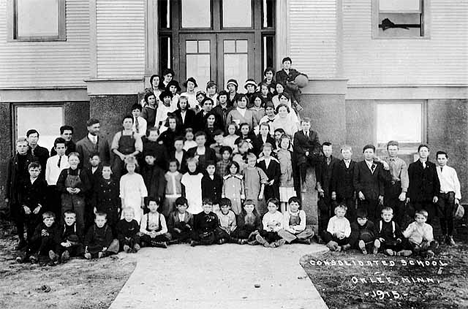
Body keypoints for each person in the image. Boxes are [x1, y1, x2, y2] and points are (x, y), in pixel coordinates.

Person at [5, 137, 36, 250]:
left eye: (24, 146)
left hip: (28, 192)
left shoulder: (32, 159)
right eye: (20, 146)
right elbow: (9, 178)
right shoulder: (12, 160)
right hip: (15, 193)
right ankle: (21, 239)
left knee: (28, 217)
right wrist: (7, 195)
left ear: (28, 147)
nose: (22, 148)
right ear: (16, 147)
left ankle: (30, 239)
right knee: (18, 218)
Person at [353, 144, 390, 222]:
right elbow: (355, 180)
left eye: (370, 152)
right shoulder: (358, 165)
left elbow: (383, 181)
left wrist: (381, 194)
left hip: (375, 195)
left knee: (375, 216)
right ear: (363, 153)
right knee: (364, 215)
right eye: (366, 152)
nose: (368, 154)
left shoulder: (378, 165)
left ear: (373, 154)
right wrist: (359, 192)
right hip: (363, 195)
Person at [56, 152, 91, 232]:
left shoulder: (82, 172)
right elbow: (58, 185)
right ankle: (64, 236)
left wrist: (80, 190)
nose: (74, 161)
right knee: (65, 218)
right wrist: (66, 189)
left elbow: (88, 186)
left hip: (79, 200)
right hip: (66, 199)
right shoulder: (64, 172)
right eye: (71, 160)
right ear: (68, 161)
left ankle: (79, 238)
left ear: (79, 161)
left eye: (76, 160)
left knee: (79, 219)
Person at [407, 144, 440, 224]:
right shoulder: (412, 166)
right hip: (416, 197)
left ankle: (427, 235)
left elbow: (436, 181)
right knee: (418, 216)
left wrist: (436, 195)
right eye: (421, 151)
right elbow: (409, 181)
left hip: (429, 197)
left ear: (428, 153)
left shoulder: (432, 166)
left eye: (425, 151)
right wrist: (408, 195)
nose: (423, 153)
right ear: (418, 153)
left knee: (429, 216)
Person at [18, 162, 48, 245]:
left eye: (36, 170)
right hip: (26, 206)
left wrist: (39, 206)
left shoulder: (42, 182)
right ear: (28, 171)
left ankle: (35, 242)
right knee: (26, 224)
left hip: (37, 207)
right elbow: (20, 195)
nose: (34, 172)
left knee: (36, 224)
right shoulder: (23, 181)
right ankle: (25, 241)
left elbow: (44, 196)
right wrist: (24, 206)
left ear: (39, 171)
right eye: (32, 170)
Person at [435, 151, 461, 246]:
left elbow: (456, 184)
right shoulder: (435, 169)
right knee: (441, 216)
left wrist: (457, 197)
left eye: (443, 159)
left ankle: (450, 236)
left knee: (449, 216)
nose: (441, 161)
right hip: (440, 195)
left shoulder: (451, 170)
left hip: (450, 195)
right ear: (436, 159)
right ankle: (443, 235)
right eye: (439, 159)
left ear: (447, 159)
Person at [382, 141, 409, 227]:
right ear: (387, 150)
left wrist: (404, 192)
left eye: (394, 149)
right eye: (390, 149)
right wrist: (382, 163)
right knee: (387, 210)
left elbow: (404, 178)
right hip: (386, 188)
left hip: (398, 187)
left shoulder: (402, 162)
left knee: (399, 211)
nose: (392, 151)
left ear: (398, 150)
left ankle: (397, 232)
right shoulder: (383, 161)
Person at [316, 142, 340, 233]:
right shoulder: (319, 161)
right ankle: (323, 232)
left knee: (334, 209)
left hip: (334, 189)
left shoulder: (337, 161)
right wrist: (319, 187)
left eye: (329, 150)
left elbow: (337, 178)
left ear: (332, 150)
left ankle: (332, 231)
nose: (327, 152)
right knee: (323, 210)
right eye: (325, 150)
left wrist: (335, 191)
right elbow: (318, 175)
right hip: (323, 189)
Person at [111, 115, 143, 179]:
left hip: (132, 156)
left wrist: (130, 155)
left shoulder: (136, 135)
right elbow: (114, 148)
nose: (128, 124)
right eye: (126, 122)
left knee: (135, 170)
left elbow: (139, 149)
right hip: (120, 156)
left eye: (129, 122)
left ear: (132, 124)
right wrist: (121, 155)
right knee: (116, 169)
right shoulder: (118, 134)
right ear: (123, 124)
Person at [293, 118, 321, 190]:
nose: (305, 126)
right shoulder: (297, 134)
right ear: (301, 125)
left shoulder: (314, 134)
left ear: (310, 125)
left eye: (307, 125)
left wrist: (313, 152)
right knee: (303, 162)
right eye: (304, 125)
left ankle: (318, 183)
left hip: (312, 154)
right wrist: (304, 152)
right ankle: (303, 182)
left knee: (319, 161)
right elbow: (296, 146)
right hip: (302, 154)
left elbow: (317, 145)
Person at [331, 145, 356, 221]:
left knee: (351, 210)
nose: (346, 154)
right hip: (340, 192)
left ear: (351, 153)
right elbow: (334, 178)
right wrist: (334, 191)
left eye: (347, 152)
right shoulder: (337, 164)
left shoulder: (355, 164)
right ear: (341, 154)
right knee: (340, 210)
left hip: (351, 193)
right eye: (344, 153)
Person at [119, 158, 147, 224]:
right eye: (129, 166)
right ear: (126, 167)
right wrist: (122, 203)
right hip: (127, 199)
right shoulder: (123, 178)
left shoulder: (139, 177)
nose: (130, 168)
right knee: (127, 214)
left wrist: (142, 201)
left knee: (136, 214)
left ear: (135, 167)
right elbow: (122, 191)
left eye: (132, 166)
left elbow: (143, 190)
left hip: (136, 199)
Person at [93, 165, 121, 231]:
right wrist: (94, 205)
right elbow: (95, 194)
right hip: (101, 205)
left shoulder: (115, 181)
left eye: (108, 170)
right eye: (104, 170)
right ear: (102, 171)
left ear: (111, 172)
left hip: (112, 204)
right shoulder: (98, 181)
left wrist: (118, 206)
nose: (106, 172)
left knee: (112, 221)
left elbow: (118, 194)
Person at [277, 135, 296, 213]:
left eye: (287, 142)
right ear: (280, 142)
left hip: (290, 178)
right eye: (283, 142)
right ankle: (283, 215)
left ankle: (288, 215)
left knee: (289, 199)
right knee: (283, 199)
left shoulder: (291, 153)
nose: (285, 144)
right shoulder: (277, 153)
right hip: (282, 178)